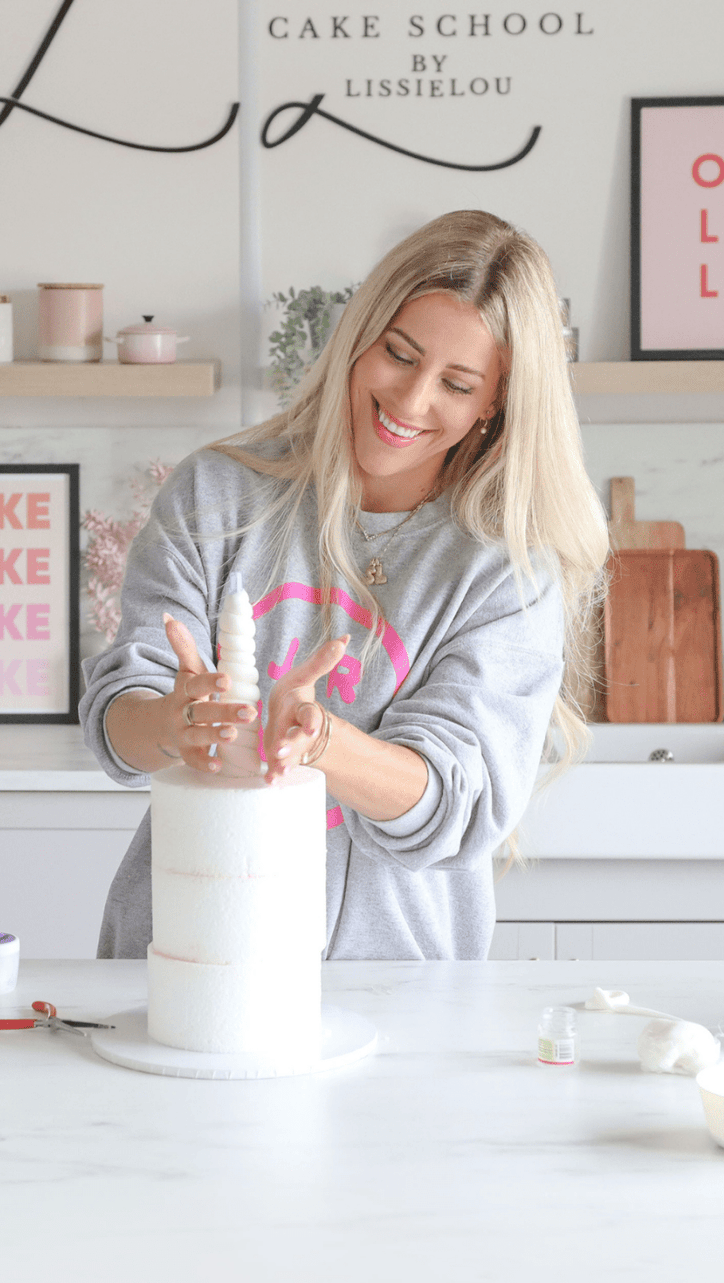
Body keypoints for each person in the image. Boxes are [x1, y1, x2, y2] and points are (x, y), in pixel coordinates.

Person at [79, 209, 609, 960]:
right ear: (361, 332)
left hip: (393, 989)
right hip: (184, 962)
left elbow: (457, 804)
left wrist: (320, 739)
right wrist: (172, 721)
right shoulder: (218, 496)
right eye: (399, 353)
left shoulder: (503, 569)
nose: (411, 400)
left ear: (494, 401)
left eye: (456, 383)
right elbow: (118, 721)